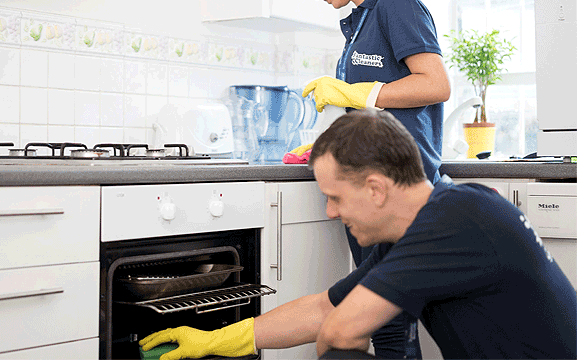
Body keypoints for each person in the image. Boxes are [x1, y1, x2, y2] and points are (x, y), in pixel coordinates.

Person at [139, 110, 577, 360]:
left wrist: (331, 342)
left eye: (334, 197)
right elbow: (322, 308)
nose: (330, 212)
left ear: (375, 189)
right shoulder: (428, 221)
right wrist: (212, 340)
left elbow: (341, 330)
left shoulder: (455, 220)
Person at [293, 0, 451, 356]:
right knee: (377, 322)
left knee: (389, 324)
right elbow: (374, 115)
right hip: (366, 188)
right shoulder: (359, 21)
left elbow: (436, 85)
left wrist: (362, 93)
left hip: (397, 189)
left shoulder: (397, 5)